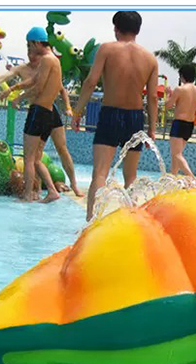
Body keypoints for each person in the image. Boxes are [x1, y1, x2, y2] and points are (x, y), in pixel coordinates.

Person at [71, 11, 159, 221]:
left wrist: (77, 111)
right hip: (135, 118)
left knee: (100, 173)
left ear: (116, 28)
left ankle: (91, 222)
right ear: (137, 30)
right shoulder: (150, 59)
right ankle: (132, 223)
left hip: (110, 114)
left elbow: (90, 82)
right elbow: (153, 97)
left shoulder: (107, 49)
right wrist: (152, 129)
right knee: (131, 178)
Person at [0, 50, 84, 197]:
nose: (32, 56)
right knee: (36, 155)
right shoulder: (23, 69)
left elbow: (62, 90)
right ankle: (38, 190)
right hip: (38, 111)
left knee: (61, 149)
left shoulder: (47, 67)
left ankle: (73, 185)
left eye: (36, 53)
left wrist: (68, 108)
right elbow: (4, 77)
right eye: (29, 52)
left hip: (50, 110)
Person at [0, 27, 61, 203]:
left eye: (29, 45)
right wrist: (13, 88)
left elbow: (38, 87)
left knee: (28, 158)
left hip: (38, 111)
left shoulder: (47, 60)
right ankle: (50, 191)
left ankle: (27, 195)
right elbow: (34, 80)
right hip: (48, 113)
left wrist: (19, 98)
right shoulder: (54, 60)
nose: (30, 49)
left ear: (36, 43)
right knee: (36, 159)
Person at [164, 64, 196, 177]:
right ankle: (173, 176)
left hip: (179, 123)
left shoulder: (180, 89)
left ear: (182, 76)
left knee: (176, 154)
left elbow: (167, 106)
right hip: (189, 125)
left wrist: (168, 94)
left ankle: (191, 177)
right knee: (177, 154)